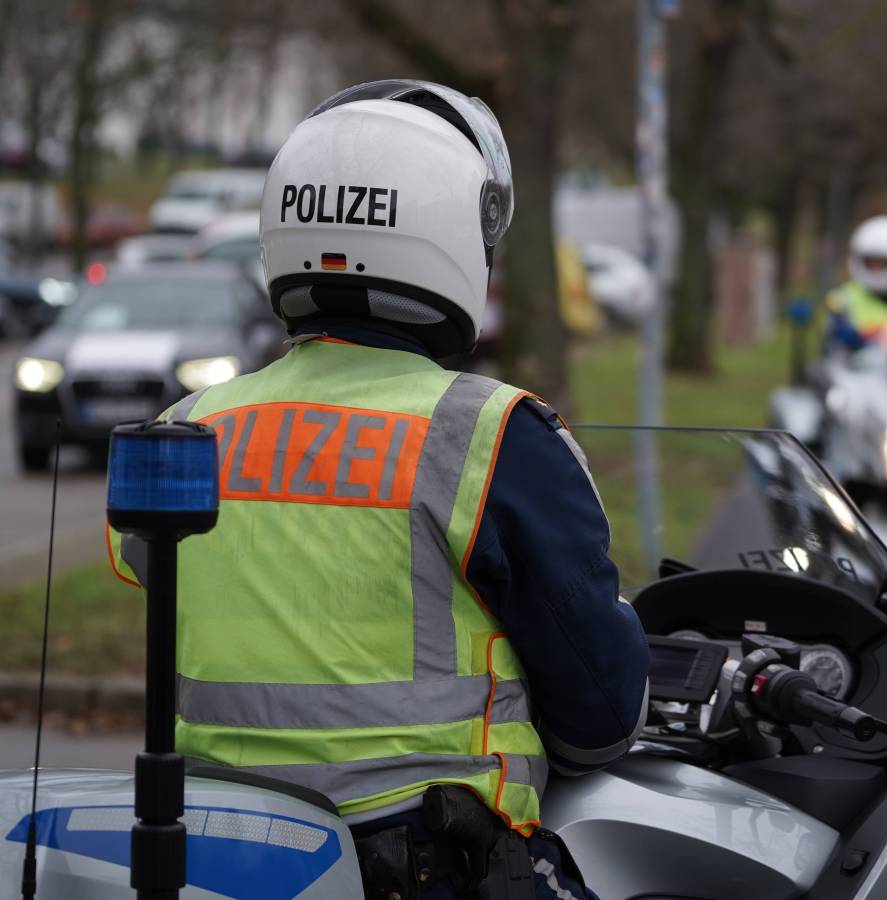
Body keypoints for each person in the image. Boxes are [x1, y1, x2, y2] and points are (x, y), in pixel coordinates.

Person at [107, 80, 649, 898]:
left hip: (211, 857)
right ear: (455, 236)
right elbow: (600, 714)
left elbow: (158, 577)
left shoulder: (186, 428)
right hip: (422, 864)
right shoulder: (488, 435)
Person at [825, 215, 887, 352]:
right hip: (859, 370)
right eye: (872, 262)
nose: (877, 269)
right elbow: (833, 343)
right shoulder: (841, 300)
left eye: (884, 263)